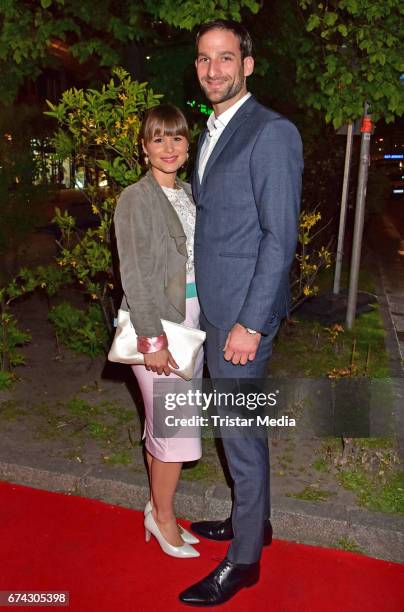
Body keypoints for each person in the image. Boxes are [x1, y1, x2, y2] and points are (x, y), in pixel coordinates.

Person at [179, 20, 303, 605]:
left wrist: (250, 325)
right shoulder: (213, 129)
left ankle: (245, 561)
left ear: (248, 64)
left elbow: (280, 238)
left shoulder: (271, 132)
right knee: (242, 430)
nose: (213, 70)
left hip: (241, 319)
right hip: (215, 307)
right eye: (205, 59)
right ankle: (256, 523)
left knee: (239, 433)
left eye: (226, 58)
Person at [114, 104, 203, 559]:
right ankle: (162, 518)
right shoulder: (135, 198)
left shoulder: (189, 193)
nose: (168, 147)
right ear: (144, 146)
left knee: (162, 429)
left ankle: (158, 507)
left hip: (192, 322)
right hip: (160, 325)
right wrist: (151, 339)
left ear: (188, 146)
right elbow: (134, 274)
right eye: (158, 138)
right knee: (175, 433)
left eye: (176, 138)